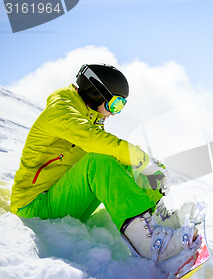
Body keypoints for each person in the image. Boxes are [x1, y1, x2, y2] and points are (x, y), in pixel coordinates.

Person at [10, 64, 197, 264]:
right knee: (100, 161)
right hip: (34, 206)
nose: (115, 113)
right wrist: (142, 160)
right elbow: (93, 140)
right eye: (115, 104)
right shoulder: (61, 110)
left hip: (59, 198)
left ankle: (160, 221)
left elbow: (113, 149)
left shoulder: (89, 115)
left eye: (121, 106)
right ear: (96, 92)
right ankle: (150, 245)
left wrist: (150, 167)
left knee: (123, 158)